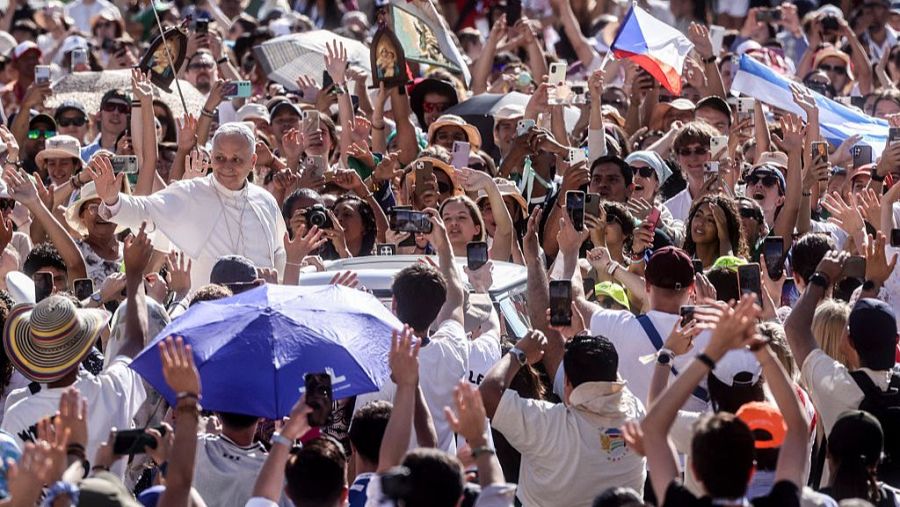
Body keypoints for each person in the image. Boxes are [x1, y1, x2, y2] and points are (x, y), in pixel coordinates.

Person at [636, 295, 809, 506]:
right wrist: (759, 348)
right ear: (751, 467)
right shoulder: (777, 426)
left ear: (695, 471)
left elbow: (654, 422)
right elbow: (798, 426)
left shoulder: (699, 429)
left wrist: (677, 354)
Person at [90, 122, 288, 290]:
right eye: (220, 158)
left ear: (253, 161)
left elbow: (280, 257)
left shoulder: (266, 201)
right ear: (211, 158)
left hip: (258, 312)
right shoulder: (190, 192)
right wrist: (113, 199)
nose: (227, 166)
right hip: (206, 314)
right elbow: (145, 210)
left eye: (236, 159)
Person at [480, 331, 646, 507]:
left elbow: (486, 395)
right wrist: (589, 343)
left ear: (566, 383)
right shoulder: (636, 413)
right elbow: (615, 386)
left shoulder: (550, 425)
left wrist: (519, 353)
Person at [785, 250, 900, 485]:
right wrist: (872, 283)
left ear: (848, 341)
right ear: (896, 342)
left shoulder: (838, 388)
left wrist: (821, 277)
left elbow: (795, 328)